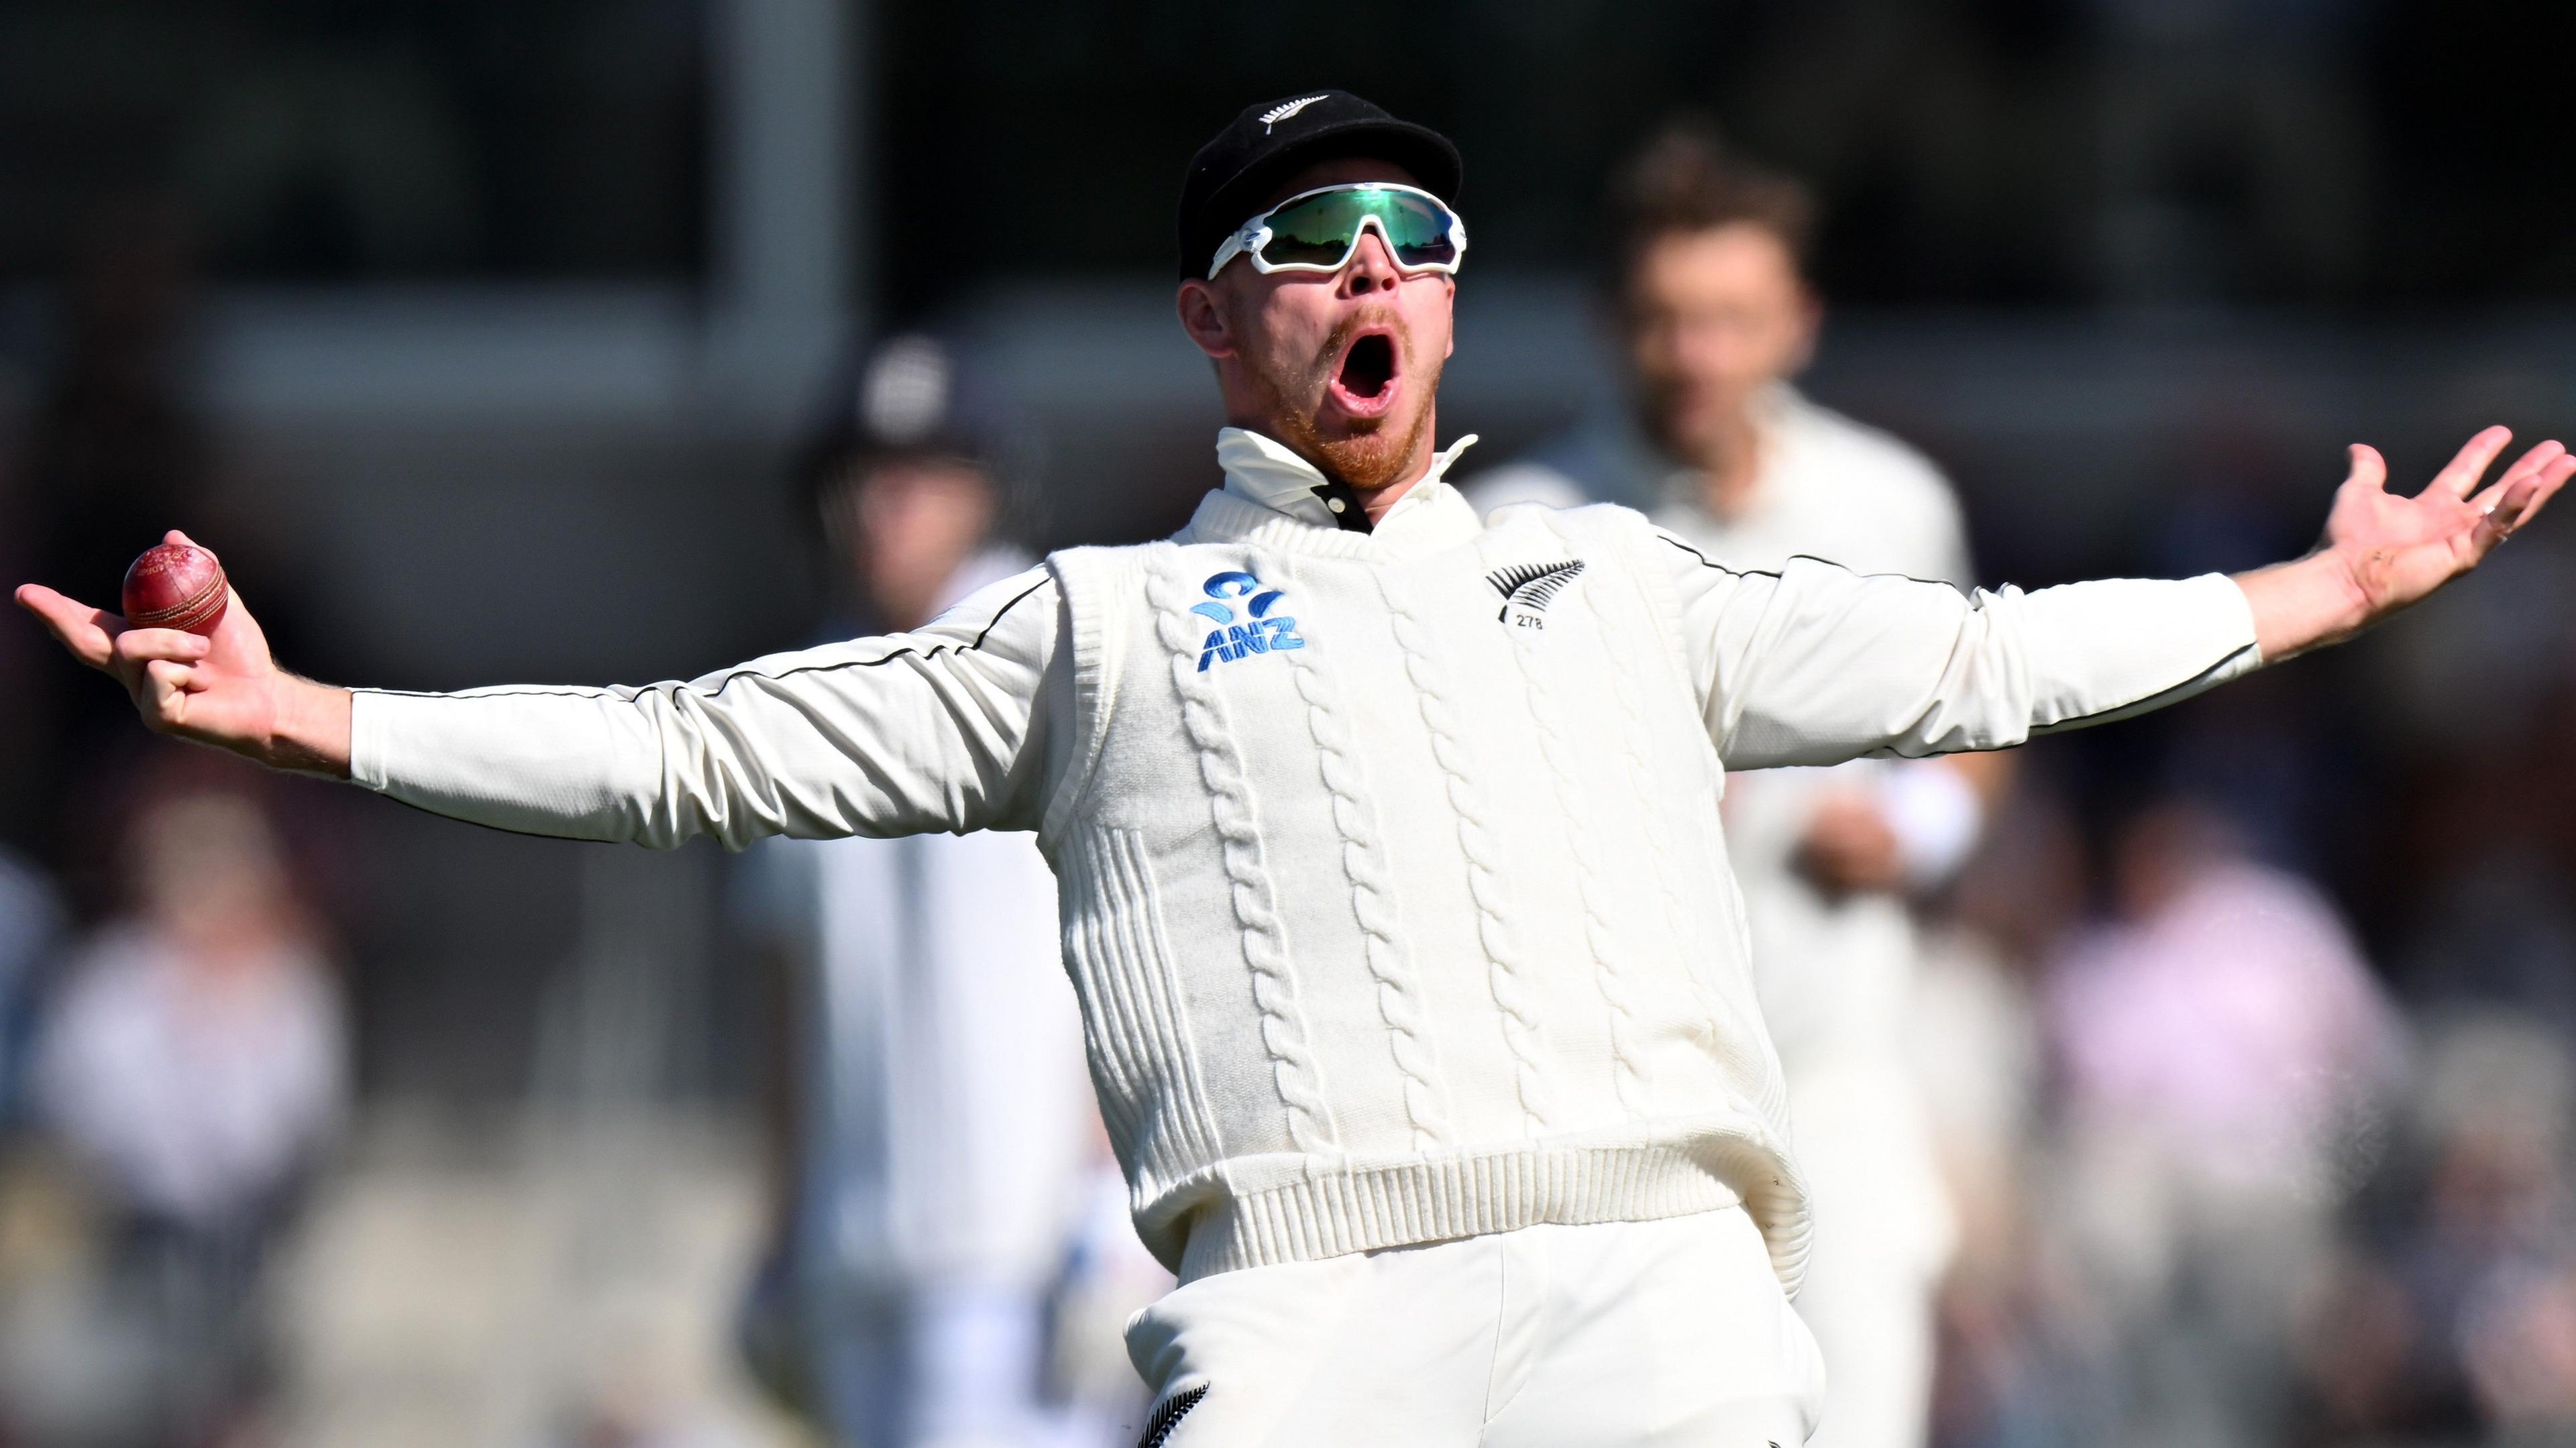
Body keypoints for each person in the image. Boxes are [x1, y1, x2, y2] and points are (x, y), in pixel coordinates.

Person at [15, 90, 2570, 1447]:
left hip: (1659, 1293)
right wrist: (311, 718)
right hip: (1307, 1323)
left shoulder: (1613, 575)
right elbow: (698, 753)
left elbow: (1985, 661)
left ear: (1454, 315)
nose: (1374, 269)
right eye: (1314, 238)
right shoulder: (1093, 624)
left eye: (1415, 237)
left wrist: (2317, 596)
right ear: (1218, 326)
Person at [1468, 125, 1996, 1448]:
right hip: (1616, 1112)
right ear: (1609, 322)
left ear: (1798, 324)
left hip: (1835, 1072)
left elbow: (1977, 727)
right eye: (1663, 321)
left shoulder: (1887, 503)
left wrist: (1917, 828)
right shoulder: (1517, 527)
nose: (1696, 355)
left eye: (1729, 320)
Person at [731, 334, 1140, 1448]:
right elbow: (787, 984)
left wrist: (1114, 1203)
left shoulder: (1055, 659)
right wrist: (777, 1231)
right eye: (862, 475)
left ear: (984, 490)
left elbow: (1130, 938)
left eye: (918, 475)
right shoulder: (795, 693)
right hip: (854, 1252)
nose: (883, 505)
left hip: (1022, 1253)